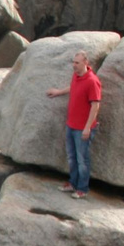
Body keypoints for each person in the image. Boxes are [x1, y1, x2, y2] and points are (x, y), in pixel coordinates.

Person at [46, 51, 101, 198]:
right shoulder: (76, 76)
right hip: (71, 124)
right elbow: (73, 88)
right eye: (73, 62)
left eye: (77, 63)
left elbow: (95, 105)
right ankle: (72, 183)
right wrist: (58, 92)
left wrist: (87, 127)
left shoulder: (92, 81)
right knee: (71, 157)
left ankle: (82, 189)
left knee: (82, 159)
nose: (74, 65)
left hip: (83, 128)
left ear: (85, 63)